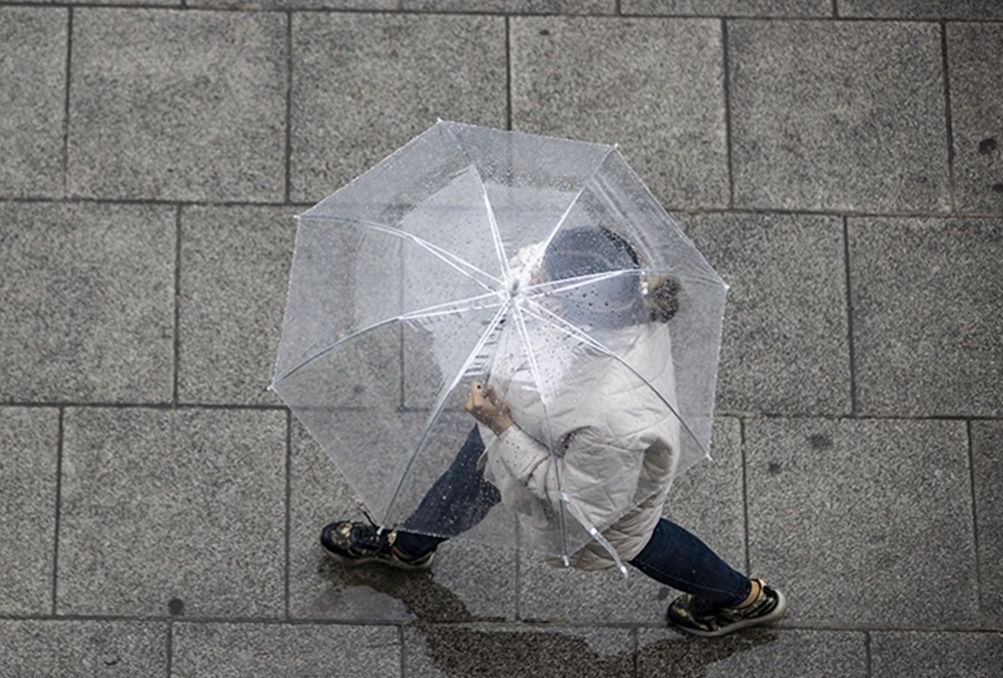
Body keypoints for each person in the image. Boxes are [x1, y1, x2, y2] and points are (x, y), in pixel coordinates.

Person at [320, 225, 786, 637]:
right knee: (466, 481)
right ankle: (411, 546)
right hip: (524, 428)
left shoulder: (611, 416)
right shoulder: (612, 294)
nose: (536, 275)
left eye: (548, 277)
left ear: (581, 302)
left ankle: (741, 598)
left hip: (581, 473)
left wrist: (502, 425)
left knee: (639, 540)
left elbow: (579, 500)